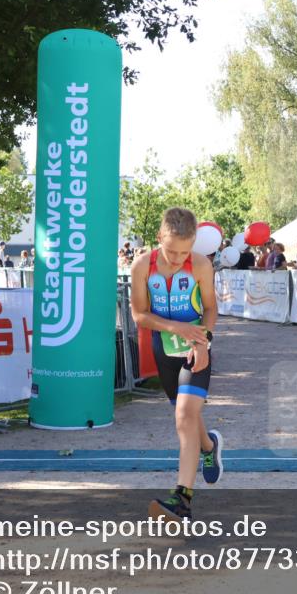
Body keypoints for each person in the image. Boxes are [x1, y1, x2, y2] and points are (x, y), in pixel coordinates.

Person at [129, 207, 222, 522]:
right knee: (186, 416)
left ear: (194, 243)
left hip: (196, 346)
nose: (177, 259)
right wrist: (173, 328)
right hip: (164, 347)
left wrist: (202, 341)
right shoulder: (142, 265)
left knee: (184, 415)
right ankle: (209, 447)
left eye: (185, 252)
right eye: (171, 251)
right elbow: (139, 315)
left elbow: (210, 308)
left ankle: (181, 499)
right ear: (159, 238)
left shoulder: (200, 264)